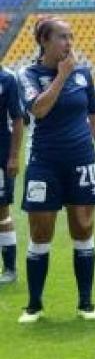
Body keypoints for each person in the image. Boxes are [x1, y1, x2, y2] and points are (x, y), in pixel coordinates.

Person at [17, 16, 95, 323]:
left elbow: (94, 117)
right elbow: (39, 110)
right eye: (61, 37)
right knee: (41, 232)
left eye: (70, 37)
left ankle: (85, 304)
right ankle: (34, 305)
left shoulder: (83, 74)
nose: (68, 43)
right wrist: (61, 76)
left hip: (81, 160)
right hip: (44, 163)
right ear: (43, 41)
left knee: (83, 229)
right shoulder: (28, 74)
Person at [0, 66, 23, 284]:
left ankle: (9, 269)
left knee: (1, 212)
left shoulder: (7, 79)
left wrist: (14, 157)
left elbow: (17, 119)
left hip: (0, 155)